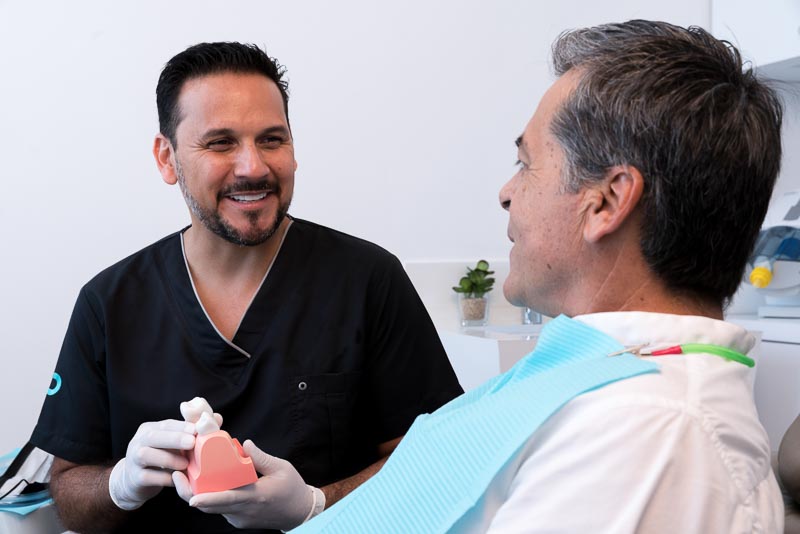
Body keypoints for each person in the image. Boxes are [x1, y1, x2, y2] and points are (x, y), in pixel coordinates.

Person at [291, 20, 786, 533]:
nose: (506, 191)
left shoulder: (651, 432)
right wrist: (311, 506)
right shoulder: (607, 380)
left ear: (607, 201)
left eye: (526, 162)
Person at [30, 42, 463, 533]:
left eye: (272, 139)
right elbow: (66, 489)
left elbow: (438, 457)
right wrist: (119, 484)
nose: (253, 167)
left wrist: (318, 505)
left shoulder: (368, 281)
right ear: (167, 158)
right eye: (220, 143)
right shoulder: (108, 304)